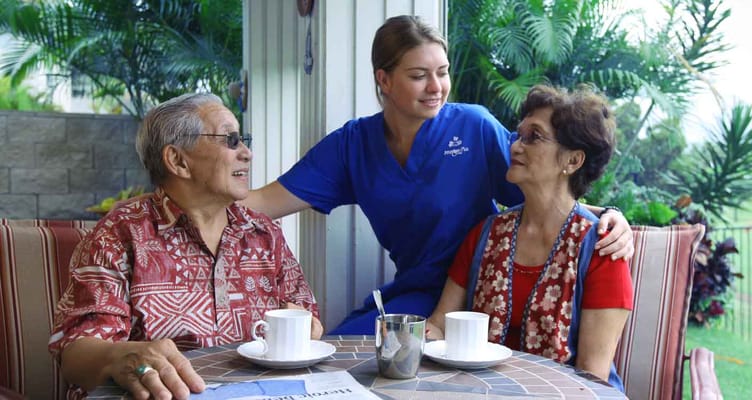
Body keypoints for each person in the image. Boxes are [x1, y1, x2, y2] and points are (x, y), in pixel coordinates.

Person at [241, 15, 634, 335]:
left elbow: (548, 195)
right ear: (384, 80)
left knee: (355, 358)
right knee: (337, 352)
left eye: (442, 72)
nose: (436, 87)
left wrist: (607, 215)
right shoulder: (352, 145)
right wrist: (187, 196)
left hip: (482, 298)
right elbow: (261, 204)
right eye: (418, 75)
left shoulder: (473, 128)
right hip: (417, 293)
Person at [48, 93, 322, 400]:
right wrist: (124, 357)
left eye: (243, 140)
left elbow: (307, 317)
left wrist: (306, 326)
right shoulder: (118, 236)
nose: (247, 153)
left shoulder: (264, 234)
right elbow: (75, 355)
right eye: (230, 140)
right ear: (178, 160)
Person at [425, 84, 633, 392]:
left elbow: (592, 377)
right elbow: (440, 324)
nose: (515, 147)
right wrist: (410, 341)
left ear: (573, 161)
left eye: (533, 137)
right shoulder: (486, 235)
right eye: (519, 135)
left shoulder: (601, 249)